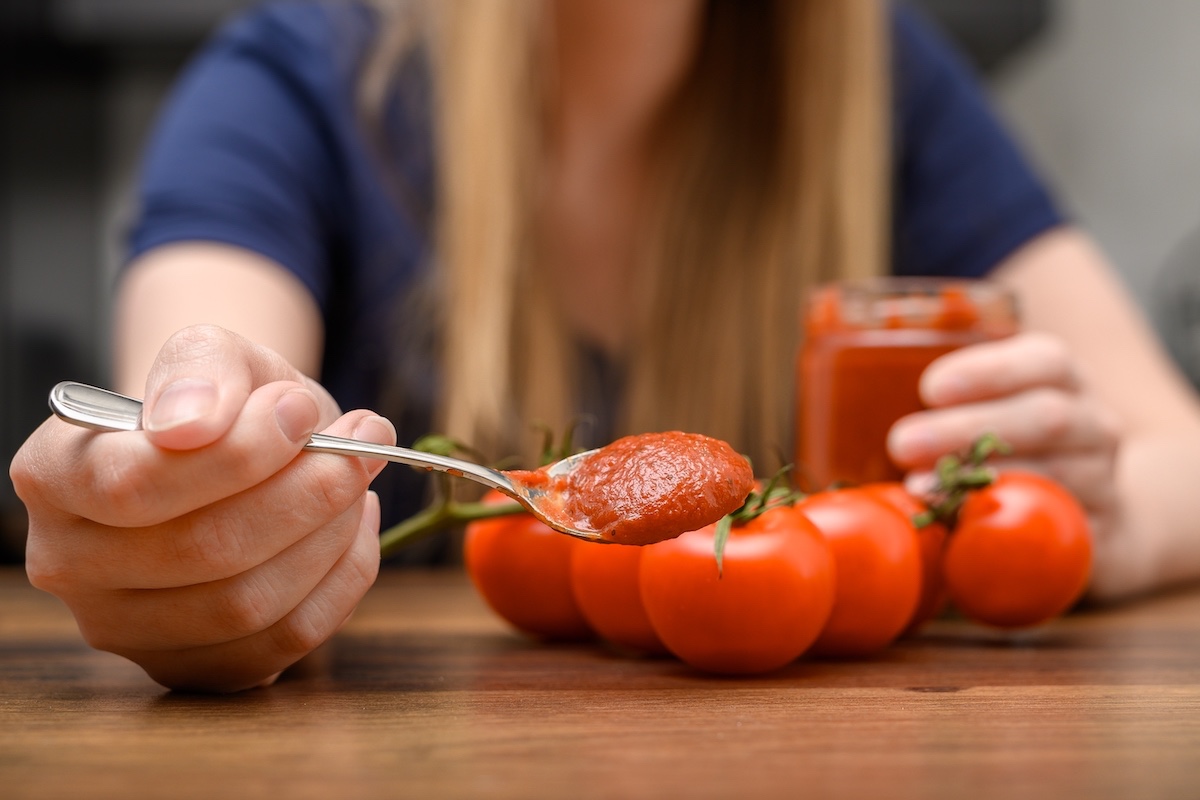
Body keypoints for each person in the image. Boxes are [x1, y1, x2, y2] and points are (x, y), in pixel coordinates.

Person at [10, 0, 1200, 692]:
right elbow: (191, 369)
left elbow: (1178, 454)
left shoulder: (881, 75)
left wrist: (1107, 520)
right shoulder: (297, 77)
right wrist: (182, 503)